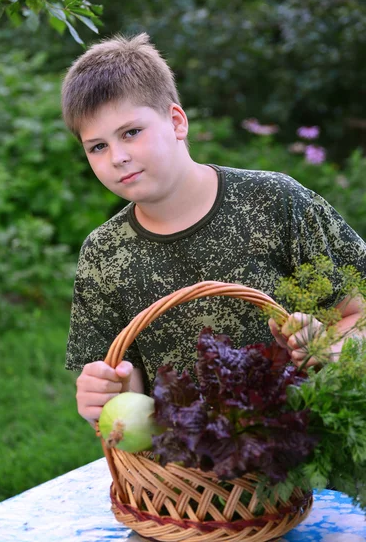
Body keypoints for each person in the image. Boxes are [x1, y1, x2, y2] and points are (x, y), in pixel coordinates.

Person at [61, 33, 366, 431]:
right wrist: (105, 394)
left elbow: (356, 314)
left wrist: (327, 346)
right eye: (97, 146)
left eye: (131, 132)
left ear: (176, 121)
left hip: (298, 450)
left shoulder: (275, 202)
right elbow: (126, 380)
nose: (118, 157)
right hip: (186, 475)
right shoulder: (103, 254)